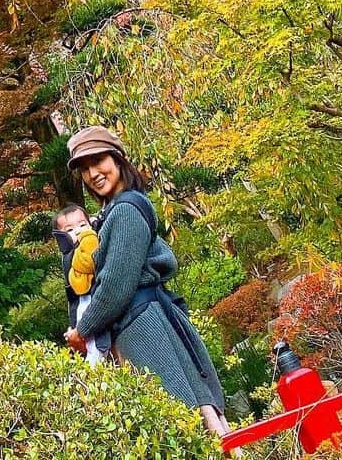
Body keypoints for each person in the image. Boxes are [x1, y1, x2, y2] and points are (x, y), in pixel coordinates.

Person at [61, 125, 232, 442]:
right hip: (138, 325)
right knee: (179, 422)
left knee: (185, 421)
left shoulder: (126, 210)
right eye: (84, 168)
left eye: (98, 161)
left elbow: (115, 286)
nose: (92, 173)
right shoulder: (110, 214)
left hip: (145, 326)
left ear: (117, 158)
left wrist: (82, 331)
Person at [52, 203, 110, 365]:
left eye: (82, 225)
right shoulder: (70, 255)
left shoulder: (90, 241)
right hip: (84, 304)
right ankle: (92, 366)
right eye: (69, 229)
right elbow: (88, 261)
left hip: (95, 301)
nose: (78, 231)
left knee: (96, 341)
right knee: (89, 340)